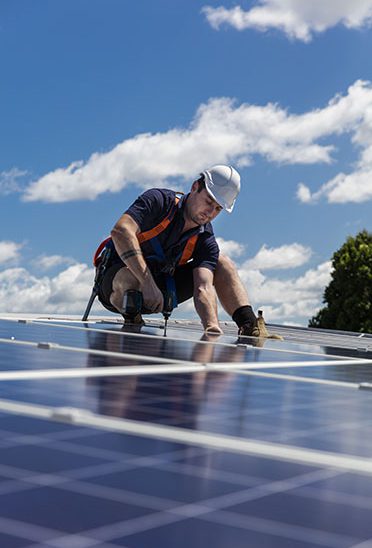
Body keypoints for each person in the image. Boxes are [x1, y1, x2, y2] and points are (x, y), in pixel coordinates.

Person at [95, 164, 275, 339]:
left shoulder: (205, 239)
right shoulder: (159, 201)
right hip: (117, 286)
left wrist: (212, 326)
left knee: (222, 263)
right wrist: (147, 283)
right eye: (209, 201)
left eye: (218, 208)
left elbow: (203, 287)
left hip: (160, 293)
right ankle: (132, 322)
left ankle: (250, 326)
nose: (210, 212)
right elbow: (121, 231)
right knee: (130, 278)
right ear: (195, 187)